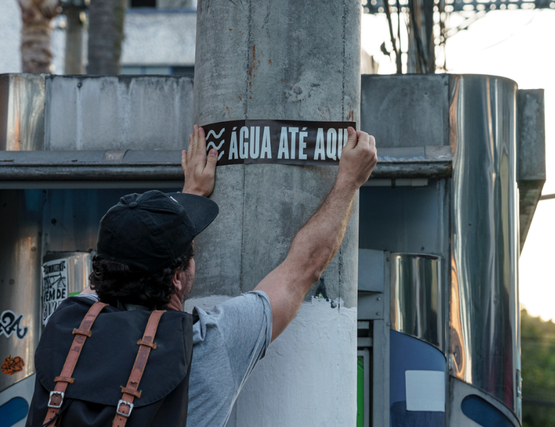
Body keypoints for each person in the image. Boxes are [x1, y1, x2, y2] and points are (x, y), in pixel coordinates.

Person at [78, 124, 377, 427]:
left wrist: (191, 196)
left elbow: (106, 276)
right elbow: (303, 267)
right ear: (177, 280)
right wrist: (349, 182)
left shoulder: (69, 326)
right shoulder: (208, 346)